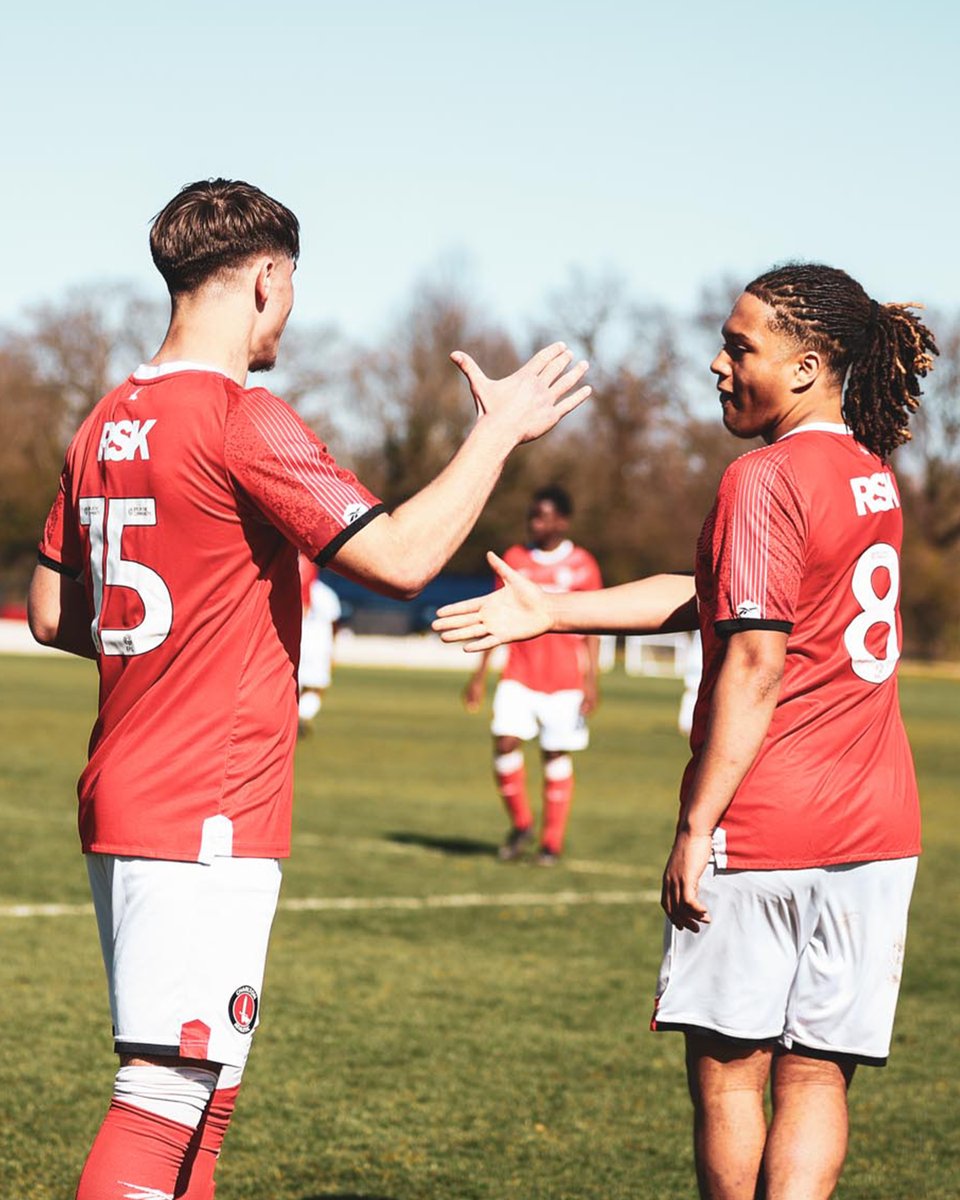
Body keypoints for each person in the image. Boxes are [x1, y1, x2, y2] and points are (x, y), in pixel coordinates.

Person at [26, 177, 591, 1200]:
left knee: (205, 1088)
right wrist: (499, 432)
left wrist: (174, 640)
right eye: (292, 289)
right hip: (206, 801)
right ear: (266, 279)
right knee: (162, 1095)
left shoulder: (104, 419)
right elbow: (407, 558)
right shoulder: (245, 418)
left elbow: (54, 614)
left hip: (135, 786)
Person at [434, 263, 937, 1199]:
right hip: (879, 831)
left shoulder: (763, 477)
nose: (717, 363)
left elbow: (751, 659)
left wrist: (698, 826)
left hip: (768, 826)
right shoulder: (871, 476)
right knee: (819, 1075)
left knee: (732, 1075)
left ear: (807, 365)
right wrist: (553, 611)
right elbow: (715, 601)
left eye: (740, 346)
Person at [462, 485, 602, 864]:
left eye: (542, 516)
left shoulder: (583, 565)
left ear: (562, 521)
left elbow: (593, 627)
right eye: (531, 516)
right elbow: (494, 617)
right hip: (518, 676)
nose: (534, 523)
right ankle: (522, 823)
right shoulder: (514, 560)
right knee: (505, 743)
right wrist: (479, 675)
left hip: (564, 681)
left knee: (554, 754)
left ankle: (551, 842)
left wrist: (591, 682)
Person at [297, 554, 342, 733]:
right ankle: (303, 715)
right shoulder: (327, 594)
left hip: (298, 641)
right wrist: (333, 651)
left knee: (294, 684)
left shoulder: (291, 588)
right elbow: (334, 625)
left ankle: (295, 715)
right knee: (316, 687)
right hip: (319, 646)